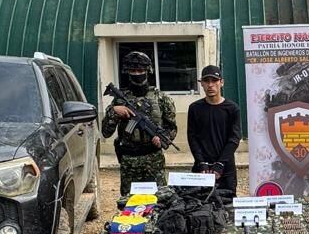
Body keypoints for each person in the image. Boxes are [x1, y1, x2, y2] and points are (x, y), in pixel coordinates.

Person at [102, 50, 177, 195]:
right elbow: (106, 132)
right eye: (133, 70)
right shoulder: (119, 100)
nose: (137, 74)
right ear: (127, 72)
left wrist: (162, 139)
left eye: (141, 70)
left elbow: (171, 127)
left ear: (148, 71)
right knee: (129, 203)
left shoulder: (161, 98)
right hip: (129, 160)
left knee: (158, 201)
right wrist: (114, 111)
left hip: (153, 160)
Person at [186, 65, 241, 194]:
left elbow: (234, 138)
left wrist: (221, 164)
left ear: (221, 82)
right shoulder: (195, 108)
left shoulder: (232, 109)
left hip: (225, 169)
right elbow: (192, 137)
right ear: (201, 84)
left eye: (214, 80)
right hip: (202, 167)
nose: (210, 85)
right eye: (206, 81)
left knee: (227, 206)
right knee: (198, 206)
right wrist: (201, 162)